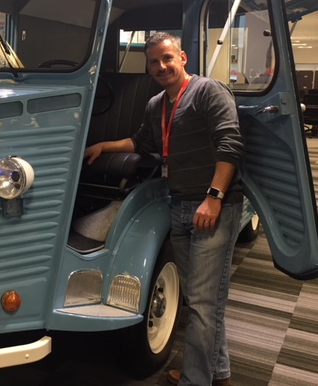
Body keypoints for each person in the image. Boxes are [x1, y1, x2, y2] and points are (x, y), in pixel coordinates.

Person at [84, 32, 244, 386]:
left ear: (183, 58)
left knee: (203, 303)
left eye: (167, 58)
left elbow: (230, 145)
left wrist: (214, 198)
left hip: (212, 207)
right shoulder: (157, 103)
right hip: (181, 203)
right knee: (202, 299)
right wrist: (102, 146)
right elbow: (140, 141)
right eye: (154, 62)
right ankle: (217, 373)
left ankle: (195, 380)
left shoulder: (208, 91)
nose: (161, 66)